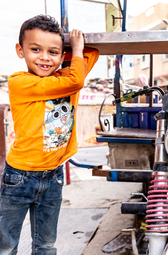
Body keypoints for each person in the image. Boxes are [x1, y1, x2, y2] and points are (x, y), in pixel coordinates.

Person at [0, 15, 99, 254]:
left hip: (52, 177)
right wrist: (73, 49)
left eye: (53, 52)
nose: (44, 57)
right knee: (6, 245)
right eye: (35, 49)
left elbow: (91, 53)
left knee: (46, 244)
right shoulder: (20, 82)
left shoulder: (63, 79)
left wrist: (70, 48)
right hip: (19, 177)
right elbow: (77, 76)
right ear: (20, 50)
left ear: (63, 55)